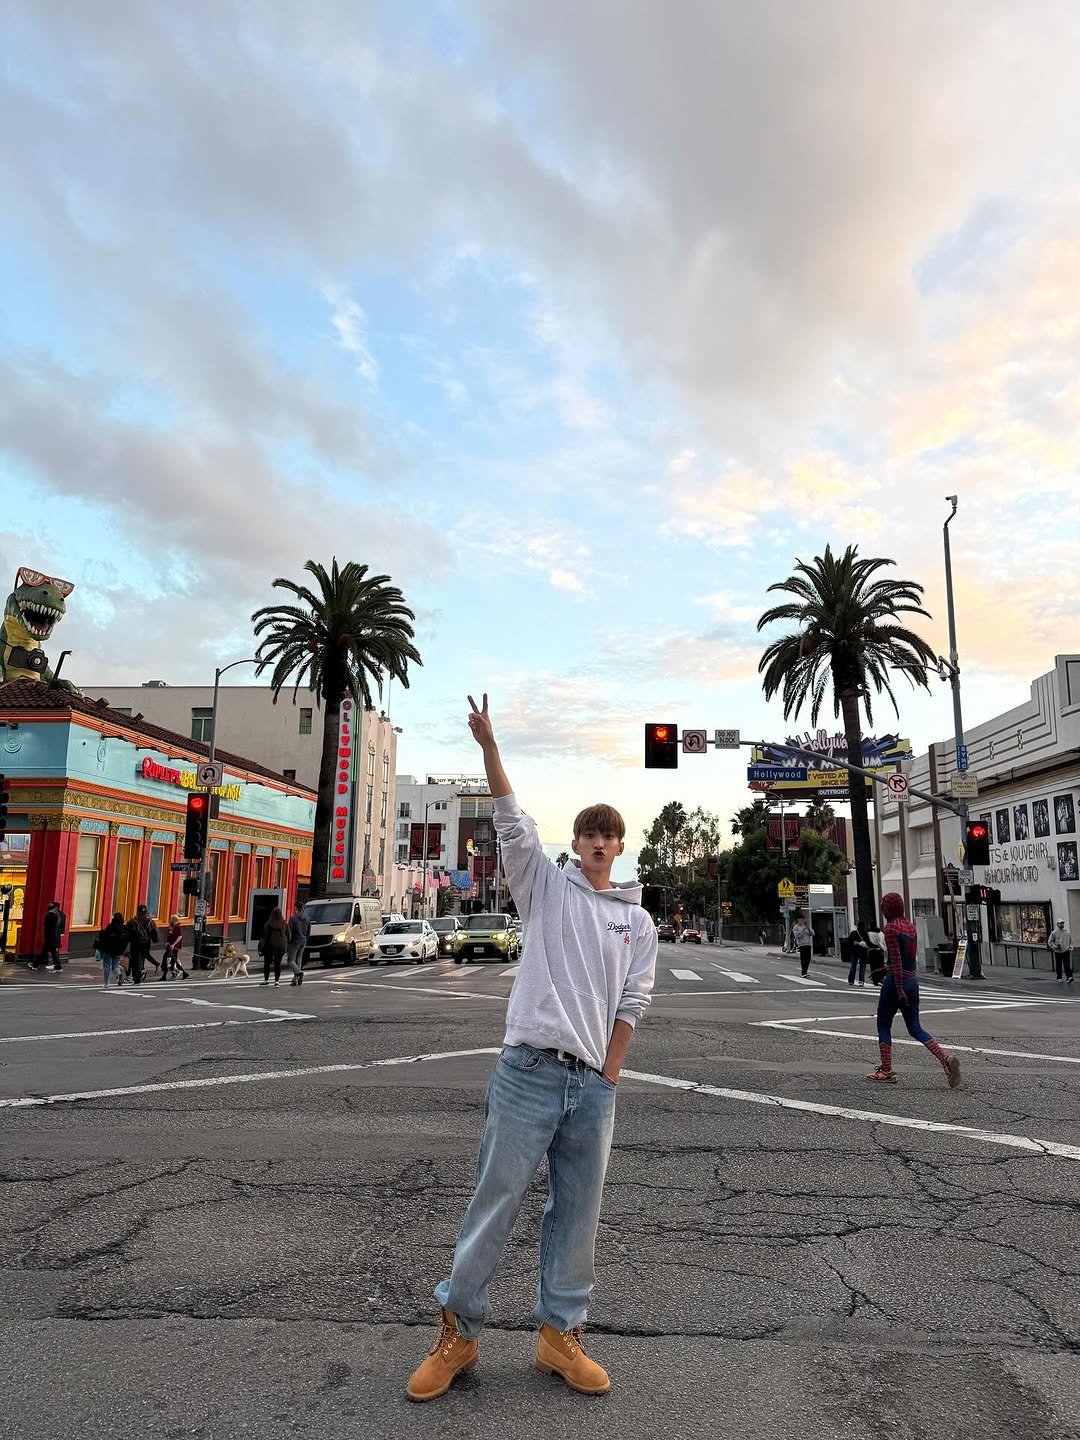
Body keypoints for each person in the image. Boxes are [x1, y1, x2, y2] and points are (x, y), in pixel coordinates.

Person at [407, 694, 657, 1404]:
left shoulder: (637, 921)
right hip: (527, 1072)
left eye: (609, 835)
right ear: (575, 845)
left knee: (578, 1213)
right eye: (589, 835)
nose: (599, 844)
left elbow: (633, 1002)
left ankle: (559, 1336)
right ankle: (459, 1330)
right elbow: (513, 822)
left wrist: (610, 1074)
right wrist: (490, 747)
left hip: (591, 1088)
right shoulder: (546, 889)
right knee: (497, 1200)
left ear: (620, 844)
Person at [869, 892, 962, 1088]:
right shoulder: (909, 927)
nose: (883, 909)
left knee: (884, 1024)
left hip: (896, 983)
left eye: (884, 906)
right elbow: (906, 961)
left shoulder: (891, 928)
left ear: (888, 908)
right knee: (915, 1027)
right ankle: (944, 1059)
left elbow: (896, 961)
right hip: (913, 981)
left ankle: (886, 1069)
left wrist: (897, 986)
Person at [126, 905, 158, 986]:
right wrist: (154, 940)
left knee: (135, 960)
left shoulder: (133, 920)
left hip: (136, 942)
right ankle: (141, 972)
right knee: (143, 957)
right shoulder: (150, 921)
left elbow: (128, 932)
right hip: (147, 942)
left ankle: (137, 978)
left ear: (138, 911)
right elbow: (154, 931)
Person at [95, 911, 128, 988]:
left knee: (107, 966)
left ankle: (107, 983)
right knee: (115, 965)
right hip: (118, 950)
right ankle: (118, 974)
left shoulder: (110, 927)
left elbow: (103, 937)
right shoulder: (124, 928)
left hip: (108, 949)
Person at [33, 900, 66, 973]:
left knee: (47, 952)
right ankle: (36, 964)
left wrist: (48, 937)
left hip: (50, 937)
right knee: (50, 952)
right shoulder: (59, 914)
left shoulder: (50, 914)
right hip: (55, 936)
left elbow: (48, 927)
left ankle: (35, 965)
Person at [260, 907, 288, 986]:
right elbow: (289, 935)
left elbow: (264, 936)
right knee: (278, 963)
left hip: (270, 946)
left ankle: (266, 980)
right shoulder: (284, 924)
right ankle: (277, 981)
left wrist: (261, 947)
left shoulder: (268, 924)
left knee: (267, 963)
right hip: (281, 946)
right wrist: (286, 945)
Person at [287, 902, 309, 987]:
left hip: (294, 941)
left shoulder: (293, 919)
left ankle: (298, 973)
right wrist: (306, 938)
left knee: (290, 960)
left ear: (296, 909)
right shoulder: (307, 918)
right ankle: (295, 980)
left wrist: (289, 941)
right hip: (303, 940)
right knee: (298, 960)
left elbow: (289, 931)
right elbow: (308, 930)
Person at [160, 915, 188, 981]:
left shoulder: (177, 927)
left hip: (174, 947)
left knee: (168, 959)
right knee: (172, 960)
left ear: (174, 919)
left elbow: (179, 937)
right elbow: (170, 935)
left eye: (171, 919)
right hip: (170, 945)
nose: (170, 920)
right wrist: (167, 942)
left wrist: (174, 944)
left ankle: (166, 975)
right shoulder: (172, 926)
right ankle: (182, 973)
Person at [1048, 919, 1074, 983]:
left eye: (1062, 923)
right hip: (1058, 951)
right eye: (1060, 923)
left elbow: (1071, 942)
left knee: (1067, 964)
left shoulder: (1067, 933)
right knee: (1058, 965)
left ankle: (1069, 977)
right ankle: (1059, 977)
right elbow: (1050, 942)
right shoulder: (1054, 933)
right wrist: (1055, 947)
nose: (1061, 924)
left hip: (1066, 951)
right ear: (1057, 924)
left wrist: (1070, 948)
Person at [865, 922, 886, 986]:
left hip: (872, 951)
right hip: (881, 951)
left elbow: (868, 943)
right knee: (881, 965)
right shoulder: (881, 933)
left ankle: (875, 980)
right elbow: (884, 942)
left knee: (874, 966)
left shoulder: (868, 933)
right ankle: (881, 978)